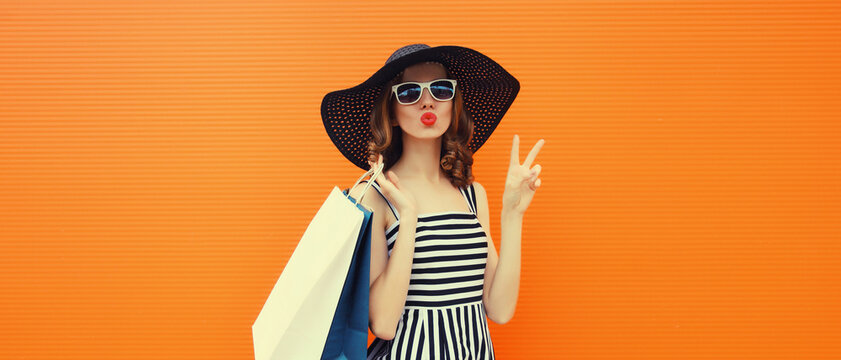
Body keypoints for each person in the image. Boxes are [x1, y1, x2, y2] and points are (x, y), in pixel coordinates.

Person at [321, 44, 544, 360]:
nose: (427, 101)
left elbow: (500, 309)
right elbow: (383, 324)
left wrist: (512, 214)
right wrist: (409, 215)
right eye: (409, 92)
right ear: (392, 113)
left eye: (440, 90)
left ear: (453, 104)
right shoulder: (374, 195)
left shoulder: (472, 195)